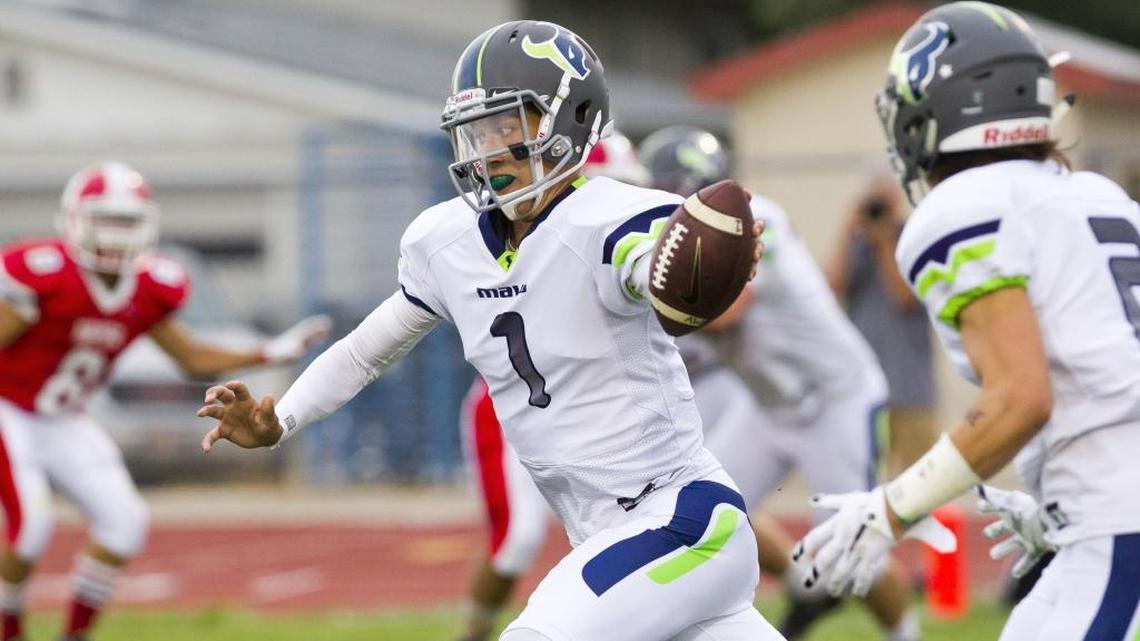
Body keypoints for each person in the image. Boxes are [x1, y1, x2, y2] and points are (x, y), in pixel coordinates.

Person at [196, 20, 779, 641]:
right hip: (617, 535)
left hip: (679, 520)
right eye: (478, 131)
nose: (489, 149)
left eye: (509, 127)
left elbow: (651, 253)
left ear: (571, 122)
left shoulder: (609, 218)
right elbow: (364, 352)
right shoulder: (445, 242)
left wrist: (695, 257)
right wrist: (280, 418)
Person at [794, 4, 1140, 640]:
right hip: (1102, 515)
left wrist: (889, 509)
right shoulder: (1093, 195)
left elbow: (1020, 397)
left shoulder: (967, 206)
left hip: (1118, 524)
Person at [0, 161, 331, 641]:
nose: (114, 237)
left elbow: (192, 356)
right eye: (104, 221)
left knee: (123, 522)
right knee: (31, 526)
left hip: (62, 419)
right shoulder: (43, 275)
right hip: (10, 408)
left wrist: (269, 350)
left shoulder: (150, 288)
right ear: (74, 220)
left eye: (125, 223)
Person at [640, 126, 920, 641]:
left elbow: (718, 313)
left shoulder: (751, 220)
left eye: (669, 195)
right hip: (768, 408)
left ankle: (904, 633)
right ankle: (801, 583)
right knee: (697, 515)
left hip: (837, 400)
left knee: (852, 553)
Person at [455, 131, 649, 641]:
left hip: (589, 413)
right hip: (516, 409)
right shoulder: (536, 244)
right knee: (517, 541)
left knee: (623, 531)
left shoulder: (628, 251)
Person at [824, 172, 939, 478]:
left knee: (920, 484)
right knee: (864, 481)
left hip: (911, 390)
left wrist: (886, 241)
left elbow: (905, 297)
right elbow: (831, 286)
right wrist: (847, 231)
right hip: (864, 392)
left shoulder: (913, 240)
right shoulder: (857, 244)